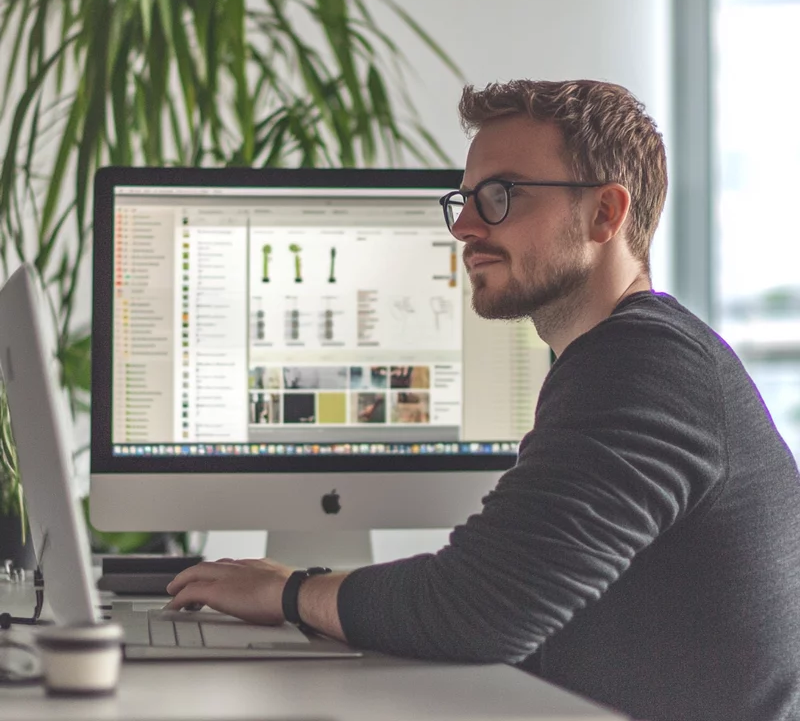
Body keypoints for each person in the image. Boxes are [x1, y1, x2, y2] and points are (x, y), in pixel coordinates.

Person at [166, 79, 800, 721]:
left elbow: (481, 606)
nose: (465, 228)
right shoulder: (629, 355)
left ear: (606, 213)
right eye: (464, 201)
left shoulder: (646, 363)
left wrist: (289, 593)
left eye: (501, 196)